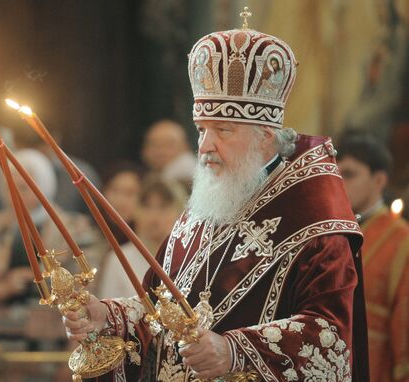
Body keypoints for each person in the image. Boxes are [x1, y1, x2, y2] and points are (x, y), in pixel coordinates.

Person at [62, 11, 369, 381]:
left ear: (265, 136)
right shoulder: (205, 208)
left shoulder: (317, 222)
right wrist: (109, 317)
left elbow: (330, 341)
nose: (205, 146)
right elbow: (163, 314)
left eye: (223, 130)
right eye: (201, 129)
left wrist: (233, 351)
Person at [0, 149, 101, 381]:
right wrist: (6, 287)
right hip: (2, 348)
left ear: (42, 186)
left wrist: (74, 354)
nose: (15, 195)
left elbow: (87, 294)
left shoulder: (73, 228)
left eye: (23, 187)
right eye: (8, 187)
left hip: (53, 344)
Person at [337, 134, 409, 382]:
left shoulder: (402, 239)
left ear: (379, 180)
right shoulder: (331, 233)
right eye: (336, 174)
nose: (339, 182)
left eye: (349, 174)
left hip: (377, 366)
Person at [99, 178, 187, 299]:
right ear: (135, 212)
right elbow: (107, 314)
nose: (154, 216)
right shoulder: (119, 259)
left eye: (163, 207)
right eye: (146, 206)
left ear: (180, 214)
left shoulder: (190, 259)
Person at [141, 119, 197, 185]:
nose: (161, 151)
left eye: (169, 145)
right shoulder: (147, 178)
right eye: (155, 145)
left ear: (186, 147)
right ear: (144, 151)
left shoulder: (187, 171)